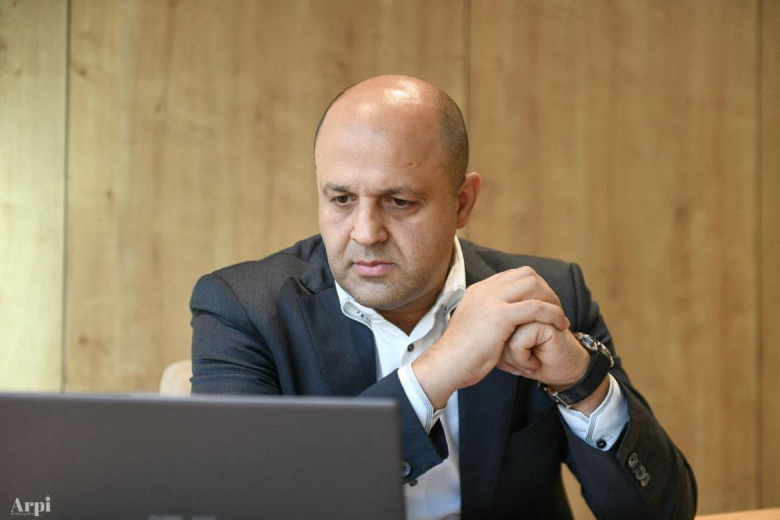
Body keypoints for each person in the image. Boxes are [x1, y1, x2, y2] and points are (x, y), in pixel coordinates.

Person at [190, 75, 696, 519]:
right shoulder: (244, 307)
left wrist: (582, 384)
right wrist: (437, 372)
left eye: (399, 201)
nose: (365, 232)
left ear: (462, 203)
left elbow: (666, 513)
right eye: (341, 199)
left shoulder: (548, 295)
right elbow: (240, 503)